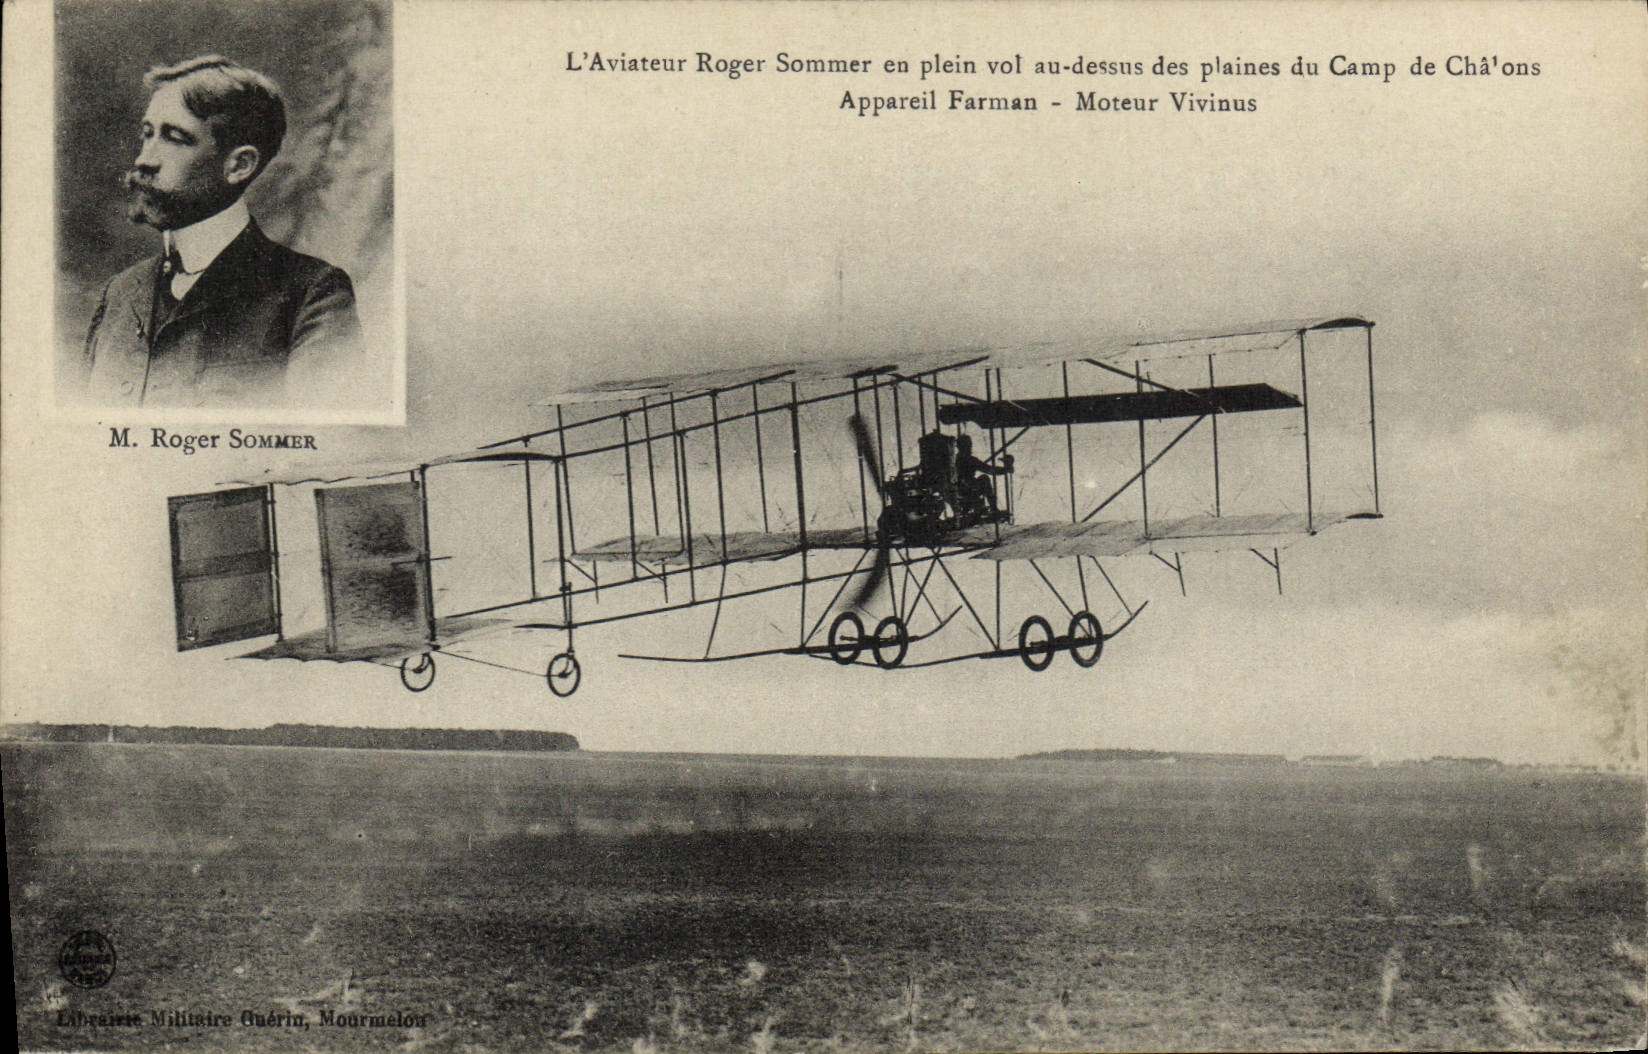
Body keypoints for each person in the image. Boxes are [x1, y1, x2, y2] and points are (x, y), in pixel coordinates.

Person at [84, 56, 361, 408]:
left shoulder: (312, 294)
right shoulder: (120, 293)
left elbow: (327, 442)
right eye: (147, 134)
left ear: (239, 165)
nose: (144, 159)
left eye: (174, 138)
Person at [954, 434, 1013, 523]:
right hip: (967, 490)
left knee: (977, 482)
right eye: (968, 446)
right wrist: (1005, 470)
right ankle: (993, 509)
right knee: (985, 478)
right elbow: (989, 470)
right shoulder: (970, 460)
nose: (970, 448)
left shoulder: (954, 460)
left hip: (957, 491)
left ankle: (975, 509)